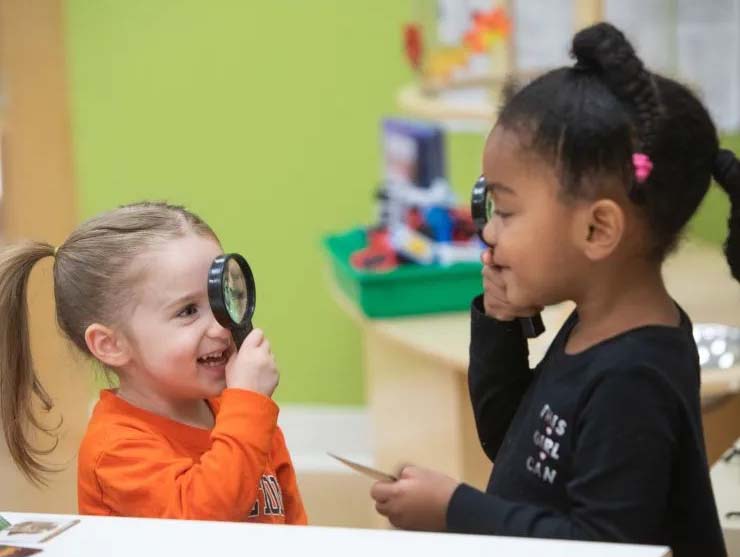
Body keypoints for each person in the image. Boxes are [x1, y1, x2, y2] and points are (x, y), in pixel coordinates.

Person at [370, 22, 732, 556]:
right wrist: (499, 319)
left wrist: (456, 511)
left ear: (596, 230)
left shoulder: (634, 378)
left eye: (508, 211)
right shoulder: (595, 324)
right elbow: (511, 442)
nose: (489, 231)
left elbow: (602, 547)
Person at [0, 201, 306, 524]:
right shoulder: (116, 450)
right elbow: (204, 523)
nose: (221, 326)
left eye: (220, 299)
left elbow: (295, 528)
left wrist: (247, 408)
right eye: (188, 310)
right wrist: (248, 406)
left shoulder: (241, 415)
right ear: (111, 345)